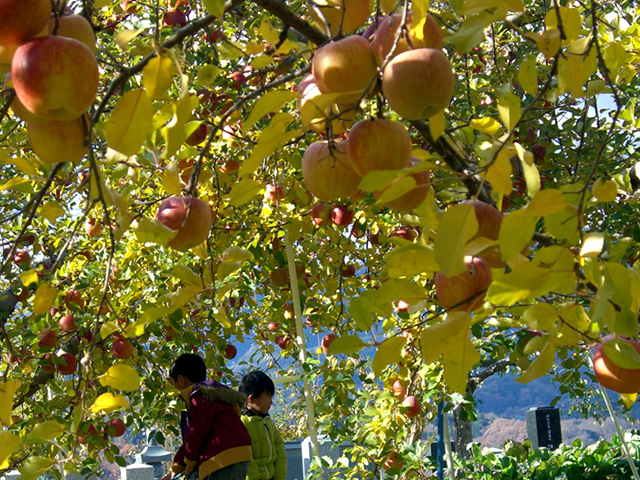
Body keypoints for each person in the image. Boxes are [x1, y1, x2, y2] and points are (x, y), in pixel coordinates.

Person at [161, 353, 252, 480]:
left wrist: (189, 465)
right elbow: (192, 438)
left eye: (173, 384)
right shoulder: (214, 395)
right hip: (238, 453)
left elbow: (197, 433)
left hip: (224, 457)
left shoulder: (199, 398)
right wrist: (176, 468)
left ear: (181, 379)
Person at [238, 371, 287, 480]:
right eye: (268, 397)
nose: (271, 401)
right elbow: (247, 459)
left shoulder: (268, 422)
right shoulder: (242, 424)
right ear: (252, 399)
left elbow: (280, 452)